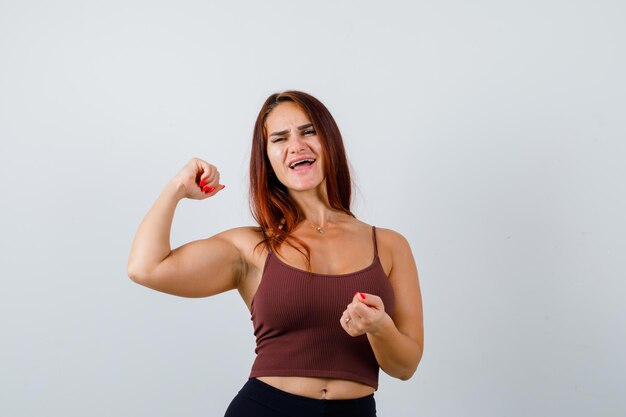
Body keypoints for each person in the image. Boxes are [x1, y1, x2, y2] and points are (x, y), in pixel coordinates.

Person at [127, 90, 424, 416]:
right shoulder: (251, 247)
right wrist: (176, 189)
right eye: (280, 139)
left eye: (308, 131)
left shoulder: (391, 246)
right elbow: (145, 268)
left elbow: (405, 366)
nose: (296, 145)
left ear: (330, 142)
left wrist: (379, 326)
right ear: (267, 161)